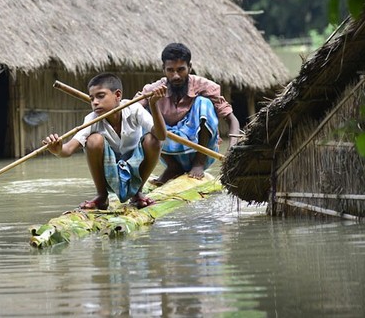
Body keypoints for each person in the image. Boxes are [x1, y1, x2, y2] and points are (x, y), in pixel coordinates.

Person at [43, 73, 168, 210]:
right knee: (93, 140)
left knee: (153, 141)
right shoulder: (92, 119)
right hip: (110, 170)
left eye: (100, 96)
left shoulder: (134, 109)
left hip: (136, 167)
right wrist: (58, 150)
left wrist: (153, 104)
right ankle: (102, 196)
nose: (95, 102)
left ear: (118, 95)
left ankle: (137, 193)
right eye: (92, 99)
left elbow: (161, 136)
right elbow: (68, 149)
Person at [138, 42, 241, 185]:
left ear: (190, 67)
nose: (176, 76)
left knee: (203, 103)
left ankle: (198, 164)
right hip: (169, 149)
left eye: (181, 70)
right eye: (170, 70)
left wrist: (232, 149)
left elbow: (232, 119)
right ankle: (173, 167)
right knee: (141, 113)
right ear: (163, 70)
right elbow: (130, 110)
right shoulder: (153, 89)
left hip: (202, 152)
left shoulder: (205, 86)